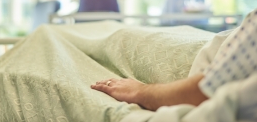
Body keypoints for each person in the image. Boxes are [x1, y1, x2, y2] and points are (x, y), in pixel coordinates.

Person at [91, 8, 257, 120]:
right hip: (202, 41)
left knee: (122, 37)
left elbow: (202, 91)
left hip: (188, 52)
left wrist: (140, 91)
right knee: (123, 35)